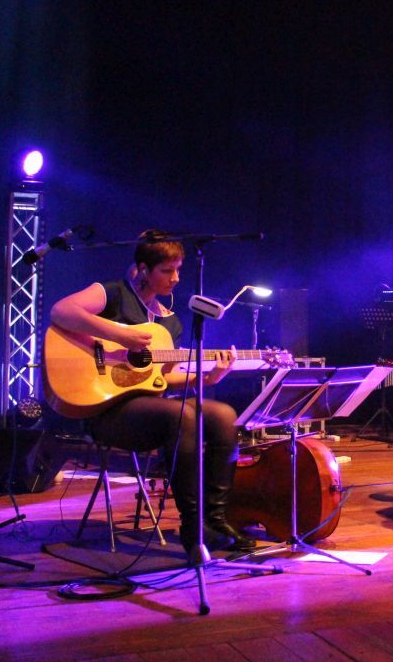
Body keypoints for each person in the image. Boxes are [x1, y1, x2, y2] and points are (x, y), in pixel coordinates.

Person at [49, 230, 252, 562]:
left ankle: (215, 521)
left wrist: (209, 376)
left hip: (149, 410)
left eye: (178, 270)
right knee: (182, 416)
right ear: (144, 269)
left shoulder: (169, 323)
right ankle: (193, 528)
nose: (175, 278)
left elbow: (164, 378)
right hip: (106, 410)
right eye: (166, 270)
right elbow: (61, 312)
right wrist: (120, 336)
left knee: (223, 415)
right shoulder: (113, 293)